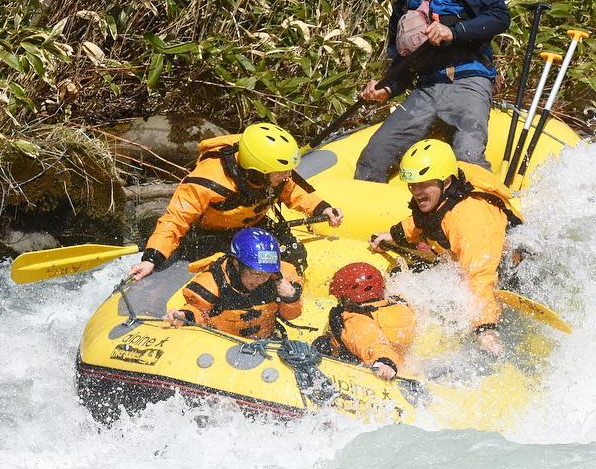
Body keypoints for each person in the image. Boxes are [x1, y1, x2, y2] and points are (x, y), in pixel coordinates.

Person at [354, 0, 511, 181]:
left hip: (469, 81)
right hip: (426, 90)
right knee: (374, 157)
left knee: (467, 160)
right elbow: (404, 65)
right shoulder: (404, 3)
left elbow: (500, 16)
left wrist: (454, 31)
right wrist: (387, 88)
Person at [128, 122, 343, 280]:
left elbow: (293, 190)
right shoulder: (207, 181)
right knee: (232, 271)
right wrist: (151, 258)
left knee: (294, 252)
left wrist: (321, 208)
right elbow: (175, 220)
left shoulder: (273, 172)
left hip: (252, 224)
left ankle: (287, 296)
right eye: (281, 173)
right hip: (209, 235)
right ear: (256, 171)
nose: (286, 176)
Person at [368, 139, 522, 355]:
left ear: (446, 181)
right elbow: (425, 219)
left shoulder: (471, 219)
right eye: (412, 185)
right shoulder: (441, 193)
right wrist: (393, 236)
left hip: (512, 268)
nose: (415, 191)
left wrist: (485, 327)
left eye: (422, 184)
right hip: (476, 259)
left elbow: (480, 274)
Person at [162, 228, 303, 340]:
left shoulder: (280, 276)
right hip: (224, 345)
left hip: (267, 340)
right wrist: (183, 316)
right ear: (236, 264)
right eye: (256, 274)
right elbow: (197, 311)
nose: (261, 280)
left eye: (266, 275)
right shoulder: (213, 282)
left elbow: (292, 315)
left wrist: (291, 297)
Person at [313, 262, 417, 381]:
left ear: (348, 297)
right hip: (404, 364)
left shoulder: (356, 319)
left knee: (322, 344)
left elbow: (372, 342)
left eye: (341, 298)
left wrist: (384, 361)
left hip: (383, 364)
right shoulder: (401, 307)